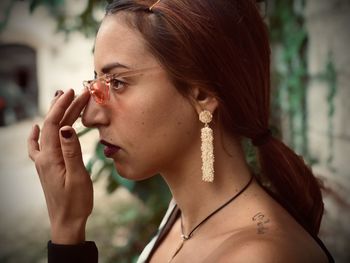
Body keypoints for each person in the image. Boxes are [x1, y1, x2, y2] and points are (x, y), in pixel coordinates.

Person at [27, 0, 334, 262]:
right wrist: (68, 226)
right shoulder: (183, 216)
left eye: (117, 82)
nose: (91, 116)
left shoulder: (259, 256)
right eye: (96, 81)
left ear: (202, 93)